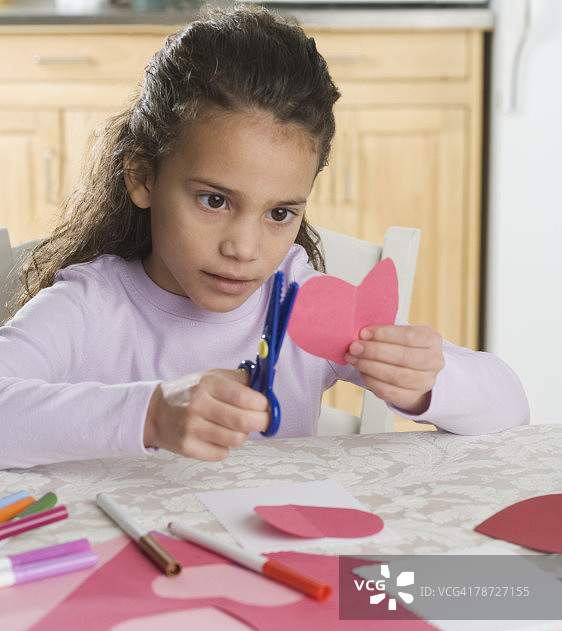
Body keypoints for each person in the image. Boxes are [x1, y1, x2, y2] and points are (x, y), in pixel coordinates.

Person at [0, 6, 528, 470]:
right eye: (214, 200)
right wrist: (152, 415)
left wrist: (432, 380)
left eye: (279, 212)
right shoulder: (91, 307)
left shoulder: (305, 305)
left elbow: (511, 406)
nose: (245, 248)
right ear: (143, 177)